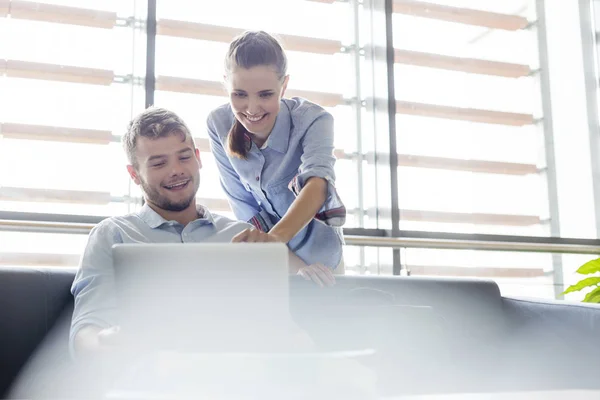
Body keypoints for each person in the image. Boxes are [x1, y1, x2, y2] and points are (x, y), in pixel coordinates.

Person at [69, 107, 334, 357]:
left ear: (198, 158)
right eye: (159, 164)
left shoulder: (243, 235)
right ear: (134, 174)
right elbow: (86, 331)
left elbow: (287, 322)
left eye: (184, 157)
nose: (176, 171)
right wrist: (103, 344)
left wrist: (306, 279)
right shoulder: (113, 235)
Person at [207, 30, 346, 273]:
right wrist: (288, 262)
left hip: (323, 265)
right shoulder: (218, 123)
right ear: (225, 84)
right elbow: (244, 206)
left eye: (265, 94)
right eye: (239, 94)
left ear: (284, 87)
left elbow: (317, 184)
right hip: (271, 262)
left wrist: (276, 242)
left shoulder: (314, 120)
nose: (251, 108)